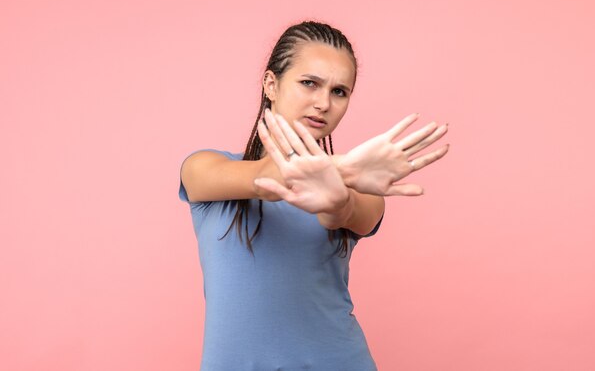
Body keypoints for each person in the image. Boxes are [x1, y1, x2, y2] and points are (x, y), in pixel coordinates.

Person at [178, 21, 449, 371]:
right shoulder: (204, 167)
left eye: (339, 92)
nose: (323, 103)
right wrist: (344, 168)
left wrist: (341, 193)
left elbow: (344, 210)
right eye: (309, 83)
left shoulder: (359, 191)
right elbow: (264, 177)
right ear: (271, 84)